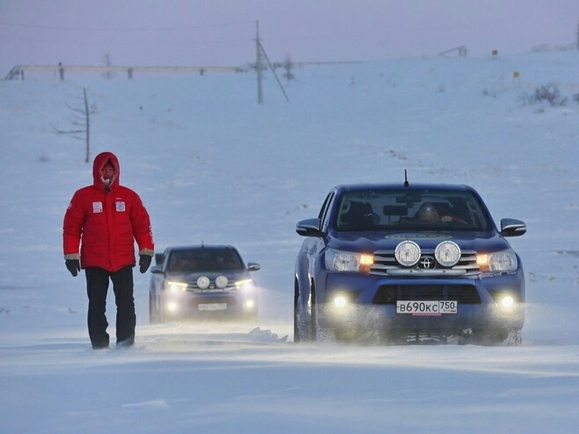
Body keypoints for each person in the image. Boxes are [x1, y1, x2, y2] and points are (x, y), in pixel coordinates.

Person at [63, 151, 154, 349]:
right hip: (95, 261)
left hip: (123, 260)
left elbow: (142, 225)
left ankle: (126, 342)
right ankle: (99, 344)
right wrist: (71, 255)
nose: (108, 172)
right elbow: (71, 228)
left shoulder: (129, 197)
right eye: (104, 168)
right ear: (97, 171)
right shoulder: (83, 197)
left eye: (111, 169)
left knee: (126, 303)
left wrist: (145, 251)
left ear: (117, 171)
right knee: (96, 304)